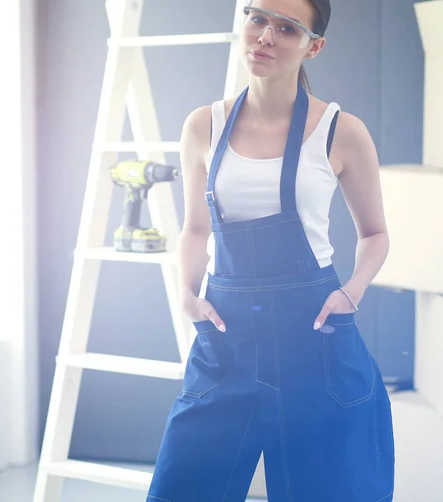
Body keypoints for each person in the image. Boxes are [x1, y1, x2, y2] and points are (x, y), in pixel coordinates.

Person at [146, 0, 395, 501]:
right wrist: (186, 295)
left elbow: (375, 234)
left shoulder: (341, 131)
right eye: (257, 19)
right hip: (227, 340)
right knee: (183, 487)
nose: (265, 36)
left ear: (313, 46)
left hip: (314, 340)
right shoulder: (203, 126)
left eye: (287, 28)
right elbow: (195, 229)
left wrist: (352, 292)